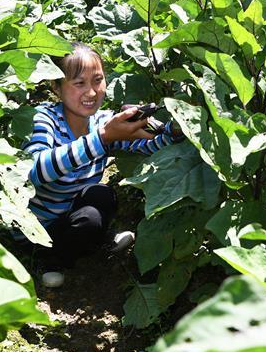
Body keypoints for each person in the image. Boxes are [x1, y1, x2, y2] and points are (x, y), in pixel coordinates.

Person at [23, 42, 183, 288]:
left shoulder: (103, 121)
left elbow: (146, 146)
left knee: (103, 196)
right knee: (89, 219)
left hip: (73, 214)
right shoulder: (44, 118)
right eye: (79, 83)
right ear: (56, 87)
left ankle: (91, 242)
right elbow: (34, 171)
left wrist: (171, 130)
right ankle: (49, 260)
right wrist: (102, 138)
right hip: (37, 229)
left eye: (98, 80)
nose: (91, 92)